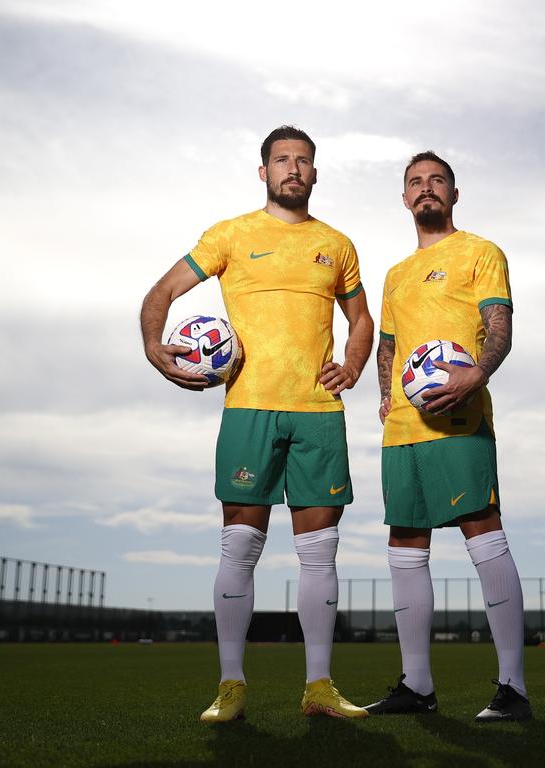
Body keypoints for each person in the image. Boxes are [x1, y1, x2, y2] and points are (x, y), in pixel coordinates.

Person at [140, 126, 374, 722]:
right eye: (281, 160)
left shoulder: (337, 245)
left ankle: (319, 686)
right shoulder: (231, 235)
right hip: (249, 408)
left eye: (303, 161)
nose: (292, 169)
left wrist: (351, 362)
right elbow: (162, 292)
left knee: (320, 551)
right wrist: (154, 347)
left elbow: (362, 319)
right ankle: (231, 686)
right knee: (240, 544)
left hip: (318, 412)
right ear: (263, 171)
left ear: (315, 174)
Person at [364, 151, 531, 722]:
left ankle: (513, 688)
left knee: (482, 529)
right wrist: (385, 394)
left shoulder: (481, 252)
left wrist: (477, 373)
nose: (426, 189)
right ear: (405, 198)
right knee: (404, 543)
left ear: (454, 194)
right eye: (415, 182)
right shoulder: (394, 274)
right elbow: (388, 345)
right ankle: (417, 686)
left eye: (437, 180)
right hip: (404, 428)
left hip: (461, 418)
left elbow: (500, 328)